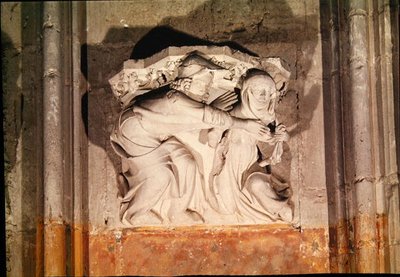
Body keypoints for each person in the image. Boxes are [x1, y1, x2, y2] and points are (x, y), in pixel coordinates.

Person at [110, 83, 269, 225]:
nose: (206, 92)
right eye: (203, 86)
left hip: (156, 136)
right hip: (134, 134)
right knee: (160, 176)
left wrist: (212, 108)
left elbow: (193, 121)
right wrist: (246, 124)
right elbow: (208, 116)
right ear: (186, 84)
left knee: (187, 162)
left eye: (207, 89)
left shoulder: (183, 100)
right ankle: (132, 214)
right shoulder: (176, 99)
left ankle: (177, 211)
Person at [209, 71, 293, 223]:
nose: (264, 96)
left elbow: (276, 139)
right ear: (247, 92)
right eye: (260, 91)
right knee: (227, 209)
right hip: (229, 164)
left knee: (257, 184)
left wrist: (282, 136)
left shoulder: (267, 117)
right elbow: (212, 136)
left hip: (251, 165)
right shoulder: (234, 113)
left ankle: (280, 208)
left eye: (268, 93)